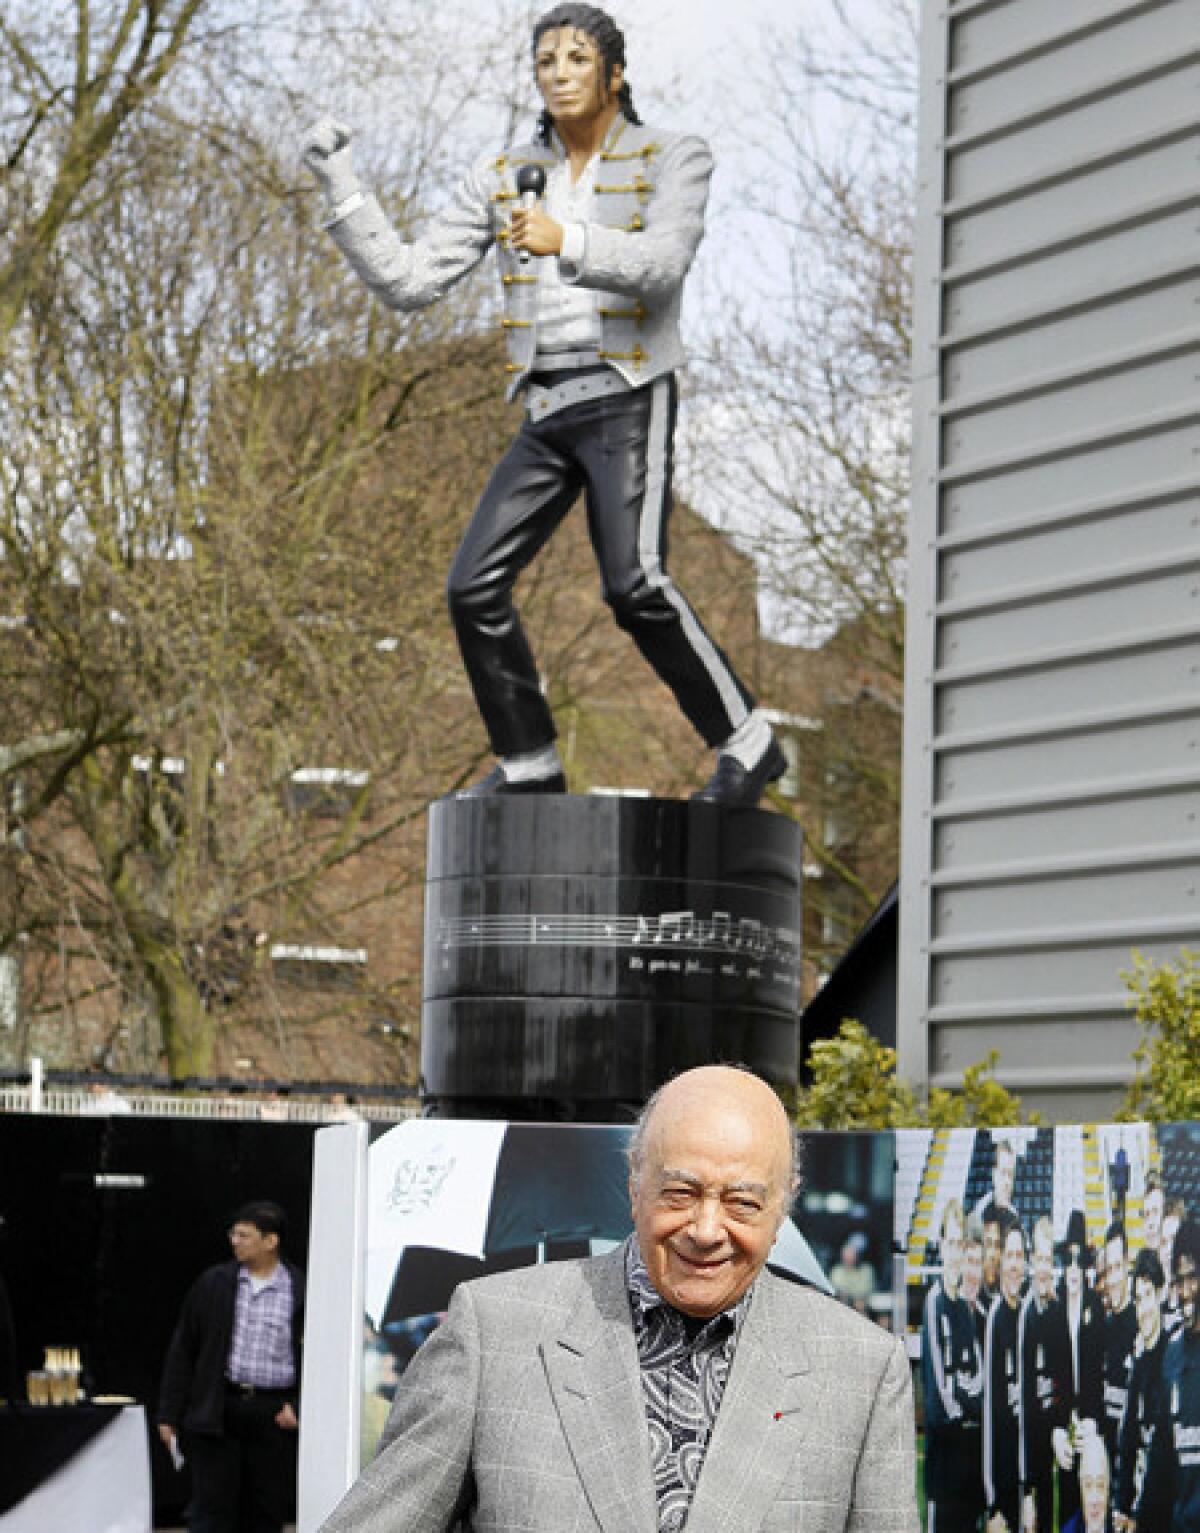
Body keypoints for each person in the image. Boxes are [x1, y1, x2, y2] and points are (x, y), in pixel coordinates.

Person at [300, 5, 787, 806]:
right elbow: (410, 281)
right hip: (547, 409)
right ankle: (529, 762)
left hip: (628, 392)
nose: (559, 73)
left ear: (613, 73)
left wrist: (569, 240)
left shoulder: (672, 156)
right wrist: (342, 185)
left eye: (576, 58)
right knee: (472, 586)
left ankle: (748, 739)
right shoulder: (505, 176)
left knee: (634, 584)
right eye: (546, 62)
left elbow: (664, 265)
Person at [319, 1065, 918, 1531]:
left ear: (782, 1206)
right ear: (634, 1184)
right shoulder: (493, 1335)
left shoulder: (862, 1371)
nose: (706, 1230)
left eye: (742, 1203)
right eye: (680, 1192)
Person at [158, 1200, 304, 1533]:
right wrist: (169, 1413)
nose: (235, 1241)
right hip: (221, 1405)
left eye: (244, 1235)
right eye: (233, 1234)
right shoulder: (215, 1283)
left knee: (265, 1509)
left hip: (272, 1412)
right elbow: (184, 1349)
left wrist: (299, 1407)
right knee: (211, 1510)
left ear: (271, 1241)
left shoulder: (299, 1288)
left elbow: (314, 1356)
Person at [922, 1198, 983, 1532]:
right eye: (950, 1242)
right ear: (941, 1246)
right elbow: (940, 1388)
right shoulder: (935, 1302)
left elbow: (976, 1378)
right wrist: (965, 1407)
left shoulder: (964, 1308)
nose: (955, 1252)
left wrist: (967, 1398)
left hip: (966, 1454)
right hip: (944, 1452)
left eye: (960, 1244)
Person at [1112, 1247, 1169, 1533]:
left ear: (1160, 1295)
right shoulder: (1138, 1360)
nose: (1143, 1308)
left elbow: (1164, 1459)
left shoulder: (1171, 1357)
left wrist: (1140, 1519)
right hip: (1138, 1508)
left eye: (1148, 1296)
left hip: (1163, 1513)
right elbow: (1128, 1439)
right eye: (1138, 1298)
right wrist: (1121, 1507)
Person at [1021, 1214, 1070, 1533]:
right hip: (1029, 1435)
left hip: (1053, 1430)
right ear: (1031, 1261)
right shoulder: (1023, 1313)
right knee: (1030, 1518)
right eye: (1038, 1258)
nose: (1043, 1267)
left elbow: (1064, 1375)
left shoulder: (1059, 1310)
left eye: (1048, 1259)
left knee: (1055, 1512)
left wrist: (1059, 1426)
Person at [1058, 1210, 1105, 1529]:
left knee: (1090, 1510)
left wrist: (1092, 1421)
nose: (1074, 1268)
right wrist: (1061, 1424)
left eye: (1079, 1261)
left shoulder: (1096, 1307)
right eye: (1069, 1260)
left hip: (1089, 1425)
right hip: (1064, 1425)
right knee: (1066, 1508)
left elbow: (1099, 1374)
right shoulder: (1055, 1306)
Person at [983, 1210, 1027, 1533]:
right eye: (1009, 1255)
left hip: (1028, 1481)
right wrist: (993, 1500)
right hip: (1003, 1482)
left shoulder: (1029, 1315)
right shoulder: (994, 1321)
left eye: (1019, 1256)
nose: (1014, 1264)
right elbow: (990, 1419)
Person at [1101, 1221, 1138, 1469]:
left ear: (1127, 1266)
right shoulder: (1103, 1324)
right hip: (1104, 1460)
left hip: (1129, 1465)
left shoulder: (1140, 1324)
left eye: (1117, 1267)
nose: (1112, 1278)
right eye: (1108, 1270)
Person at [1063, 1431, 1114, 1533]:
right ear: (1080, 1488)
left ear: (1108, 1490)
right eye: (1088, 1486)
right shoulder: (1069, 1530)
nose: (1094, 1500)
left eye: (1100, 1486)